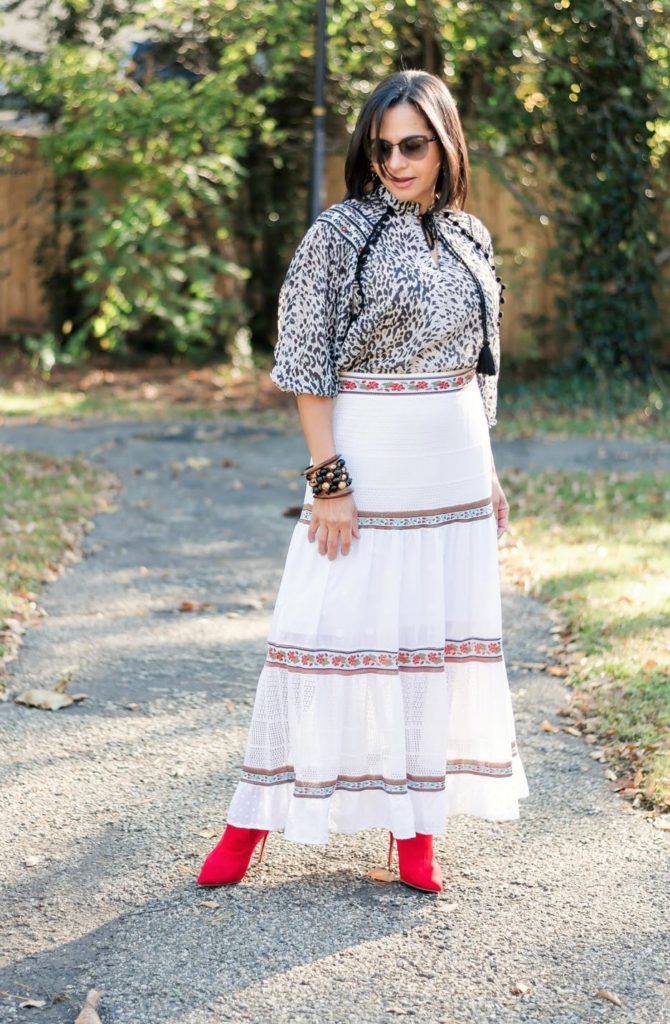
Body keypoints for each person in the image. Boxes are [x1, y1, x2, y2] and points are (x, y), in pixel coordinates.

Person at [197, 69, 529, 893]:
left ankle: (415, 831)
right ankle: (251, 819)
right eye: (382, 148)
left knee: (432, 642)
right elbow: (307, 366)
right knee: (317, 631)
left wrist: (486, 472)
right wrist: (329, 482)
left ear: (446, 142)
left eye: (413, 145)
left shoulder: (473, 237)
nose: (396, 162)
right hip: (366, 461)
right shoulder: (339, 234)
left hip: (453, 469)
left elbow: (480, 368)